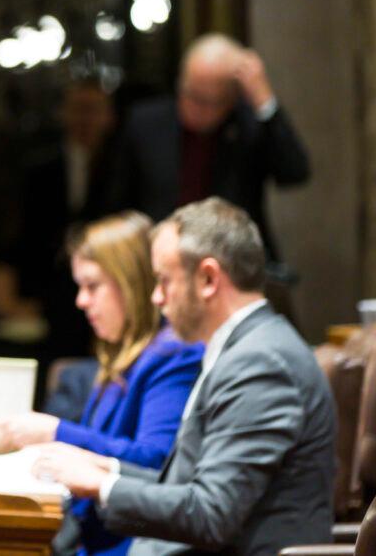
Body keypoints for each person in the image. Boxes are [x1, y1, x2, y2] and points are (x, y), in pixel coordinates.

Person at [32, 197, 336, 555]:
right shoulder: (243, 349)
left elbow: (211, 513)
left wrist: (103, 486)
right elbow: (194, 486)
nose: (156, 298)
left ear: (208, 278)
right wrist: (108, 467)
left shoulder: (260, 362)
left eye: (163, 280)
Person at [0, 212, 203, 556]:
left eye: (92, 286)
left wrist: (56, 432)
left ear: (130, 283)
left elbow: (154, 461)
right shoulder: (119, 354)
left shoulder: (174, 355)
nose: (81, 301)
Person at [108, 34, 309, 258]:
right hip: (159, 258)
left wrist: (264, 101)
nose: (192, 107)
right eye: (188, 93)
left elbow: (294, 172)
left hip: (232, 262)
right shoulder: (145, 122)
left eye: (206, 101)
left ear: (232, 98)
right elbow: (118, 201)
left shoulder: (247, 125)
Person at [16, 76, 119, 371]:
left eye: (93, 110)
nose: (85, 119)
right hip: (53, 290)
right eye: (78, 109)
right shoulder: (38, 167)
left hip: (109, 282)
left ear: (108, 116)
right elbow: (27, 235)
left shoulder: (120, 166)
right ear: (63, 113)